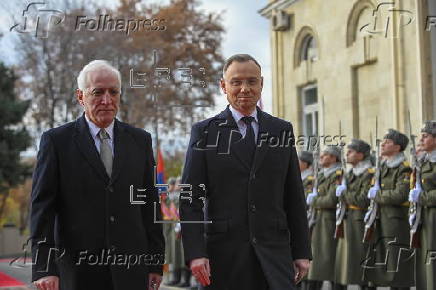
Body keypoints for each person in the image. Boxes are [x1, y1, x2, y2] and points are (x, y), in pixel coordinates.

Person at [180, 54, 311, 290]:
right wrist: (196, 253)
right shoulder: (205, 133)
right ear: (223, 86)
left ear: (261, 84)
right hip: (223, 256)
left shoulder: (281, 130)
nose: (244, 89)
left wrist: (302, 252)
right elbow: (190, 198)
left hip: (275, 255)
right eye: (236, 82)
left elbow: (294, 194)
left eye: (252, 81)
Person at [30, 60, 165, 290]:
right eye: (98, 92)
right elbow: (42, 209)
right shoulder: (56, 142)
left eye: (113, 92)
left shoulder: (140, 141)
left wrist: (154, 261)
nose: (107, 100)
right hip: (77, 272)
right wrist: (44, 268)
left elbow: (149, 203)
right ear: (80, 96)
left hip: (131, 272)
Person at [363, 129, 414, 289]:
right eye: (383, 141)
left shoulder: (403, 168)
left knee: (396, 264)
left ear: (398, 147)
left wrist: (377, 195)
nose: (383, 144)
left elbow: (400, 195)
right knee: (380, 262)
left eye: (387, 142)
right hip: (379, 219)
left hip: (395, 221)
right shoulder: (382, 166)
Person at [334, 139, 375, 289]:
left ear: (360, 155)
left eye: (350, 152)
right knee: (349, 264)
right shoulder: (350, 173)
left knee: (362, 260)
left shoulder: (368, 174)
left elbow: (362, 200)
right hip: (348, 220)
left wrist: (344, 193)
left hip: (360, 222)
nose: (347, 155)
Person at [306, 146, 341, 290]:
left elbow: (330, 200)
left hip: (329, 221)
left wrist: (313, 201)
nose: (321, 157)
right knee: (317, 260)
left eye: (325, 155)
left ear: (334, 158)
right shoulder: (321, 174)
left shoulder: (338, 174)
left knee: (331, 259)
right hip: (317, 220)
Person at [408, 121, 436, 290]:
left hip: (433, 216)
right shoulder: (423, 161)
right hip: (423, 217)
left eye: (425, 136)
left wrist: (422, 196)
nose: (421, 139)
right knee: (425, 264)